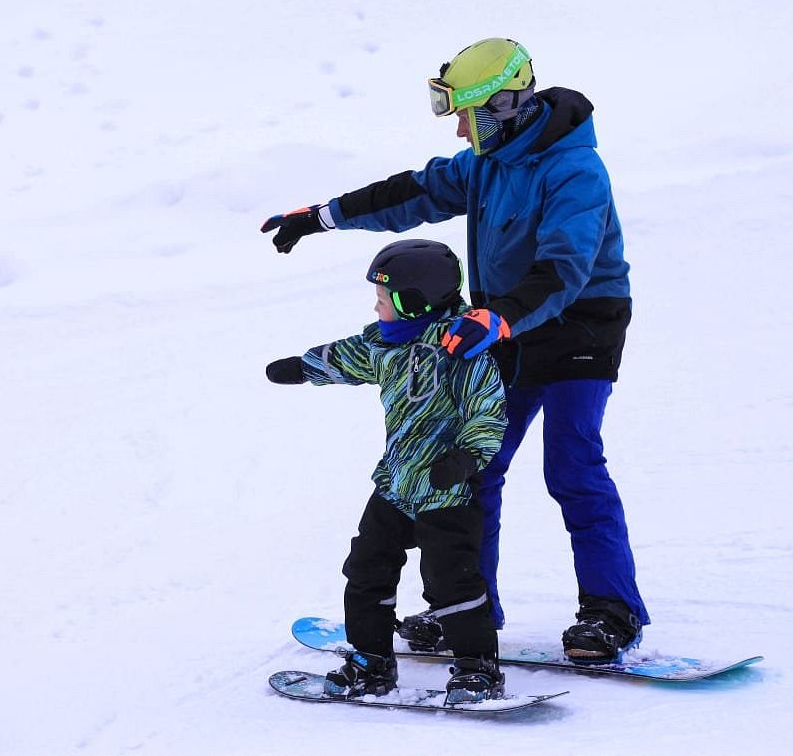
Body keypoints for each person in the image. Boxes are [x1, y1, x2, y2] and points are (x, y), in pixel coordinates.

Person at [260, 37, 650, 664]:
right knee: (474, 469)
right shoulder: (486, 163)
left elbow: (565, 269)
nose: (459, 129)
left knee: (572, 467)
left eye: (466, 113)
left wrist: (496, 317)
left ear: (503, 106)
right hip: (501, 327)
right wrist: (321, 218)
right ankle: (467, 607)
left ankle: (611, 613)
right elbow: (411, 193)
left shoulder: (575, 171)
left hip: (579, 326)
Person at [265, 239, 508, 702]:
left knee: (451, 581)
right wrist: (305, 367)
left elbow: (489, 412)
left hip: (445, 490)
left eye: (383, 299)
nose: (376, 307)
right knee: (366, 570)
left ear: (414, 301)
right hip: (395, 484)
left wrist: (466, 458)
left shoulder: (462, 349)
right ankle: (370, 662)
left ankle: (477, 667)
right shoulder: (385, 344)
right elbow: (349, 356)